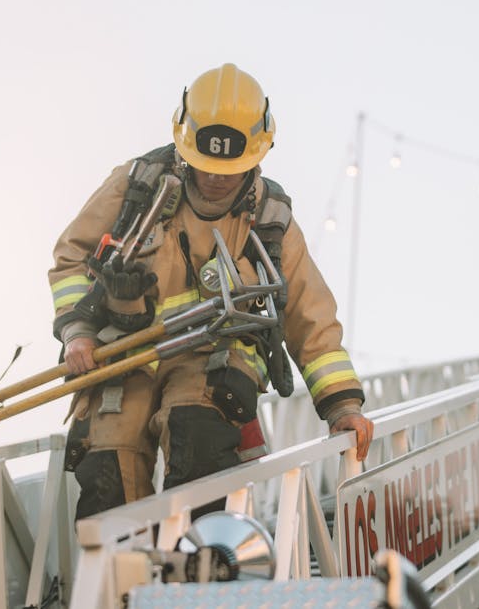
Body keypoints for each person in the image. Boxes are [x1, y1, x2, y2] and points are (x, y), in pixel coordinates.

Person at [48, 63, 374, 519]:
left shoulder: (270, 219)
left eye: (232, 169)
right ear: (185, 142)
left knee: (197, 436)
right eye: (206, 166)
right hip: (123, 355)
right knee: (109, 464)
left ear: (260, 152)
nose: (218, 178)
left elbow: (309, 316)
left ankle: (200, 574)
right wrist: (78, 332)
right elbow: (72, 258)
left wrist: (342, 404)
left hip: (212, 360)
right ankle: (121, 586)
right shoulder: (135, 187)